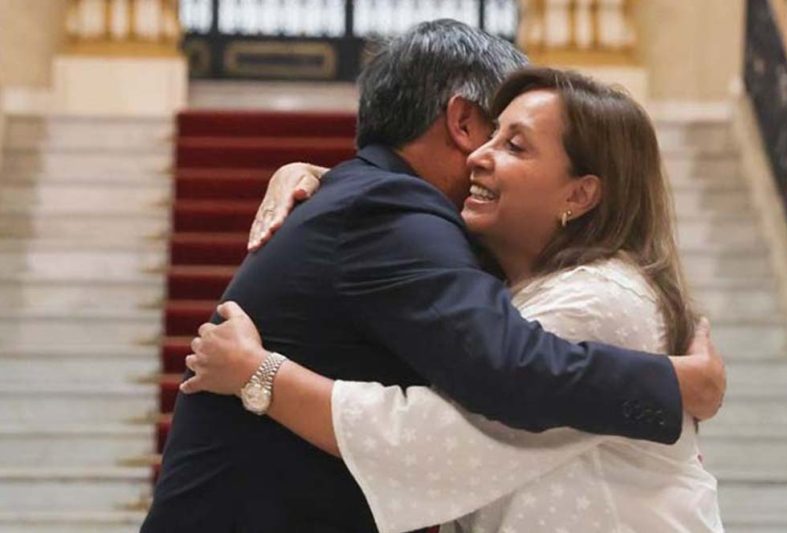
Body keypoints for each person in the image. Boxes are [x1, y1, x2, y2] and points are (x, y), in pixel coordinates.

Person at [144, 20, 724, 533]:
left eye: (513, 144)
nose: (484, 157)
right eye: (494, 133)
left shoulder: (594, 294)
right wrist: (674, 386)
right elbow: (507, 371)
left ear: (580, 194)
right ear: (462, 121)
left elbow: (449, 431)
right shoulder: (390, 211)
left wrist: (260, 374)